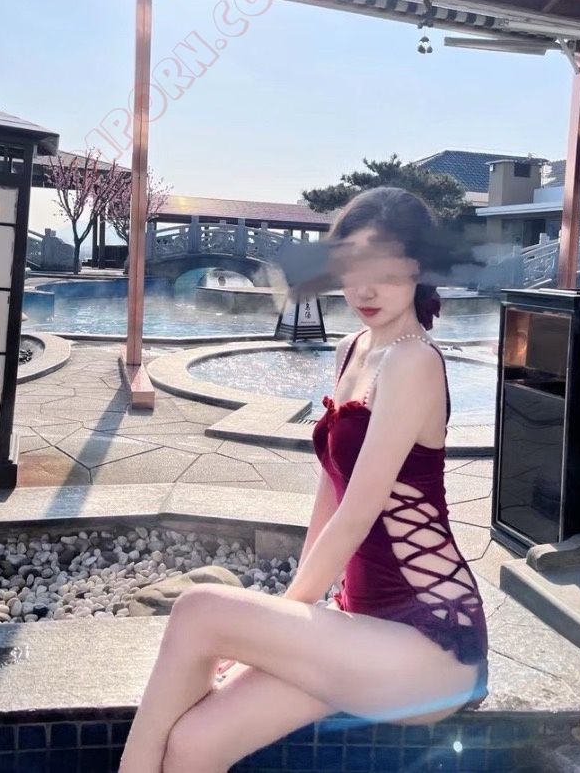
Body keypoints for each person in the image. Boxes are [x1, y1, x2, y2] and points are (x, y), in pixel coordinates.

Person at [119, 187, 488, 773]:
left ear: (419, 268)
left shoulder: (414, 360)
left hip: (429, 643)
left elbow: (360, 512)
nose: (365, 290)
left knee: (197, 611)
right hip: (360, 629)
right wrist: (284, 625)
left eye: (385, 270)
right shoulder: (353, 349)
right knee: (195, 744)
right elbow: (331, 493)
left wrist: (275, 622)